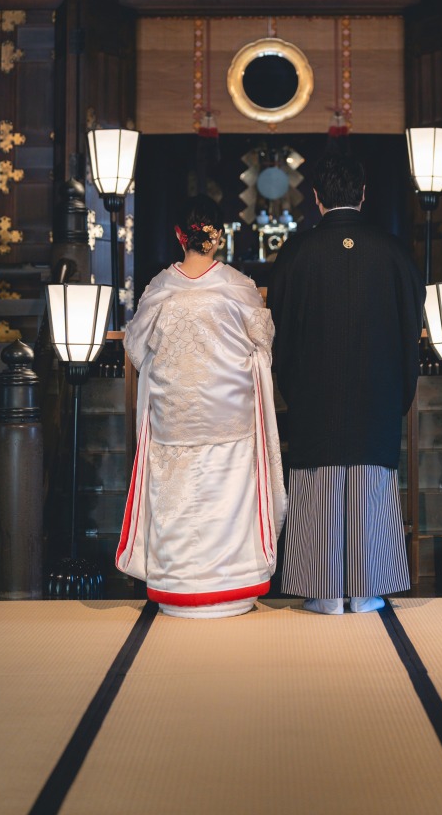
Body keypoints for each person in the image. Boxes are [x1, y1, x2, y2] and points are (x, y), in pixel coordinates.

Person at [268, 151, 425, 615]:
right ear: (362, 194)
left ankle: (323, 591)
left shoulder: (297, 253)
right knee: (372, 484)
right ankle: (368, 587)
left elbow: (282, 328)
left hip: (315, 391)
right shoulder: (394, 251)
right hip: (378, 389)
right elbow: (409, 329)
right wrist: (401, 386)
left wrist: (292, 382)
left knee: (317, 485)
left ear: (316, 198)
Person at [116, 195, 286, 618]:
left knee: (177, 503)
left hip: (175, 417)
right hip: (228, 417)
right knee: (226, 502)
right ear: (219, 235)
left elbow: (137, 348)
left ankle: (177, 586)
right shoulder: (237, 287)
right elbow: (263, 341)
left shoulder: (160, 288)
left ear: (180, 236)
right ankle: (232, 588)